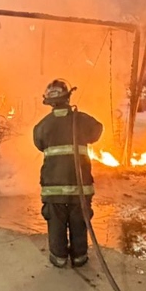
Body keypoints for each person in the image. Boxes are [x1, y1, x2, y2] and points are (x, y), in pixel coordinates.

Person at [32, 79, 103, 268]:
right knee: (79, 222)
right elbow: (97, 132)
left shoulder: (42, 126)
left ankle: (59, 257)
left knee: (56, 224)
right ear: (68, 97)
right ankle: (79, 257)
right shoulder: (82, 120)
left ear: (48, 101)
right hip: (80, 187)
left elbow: (39, 144)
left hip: (53, 189)